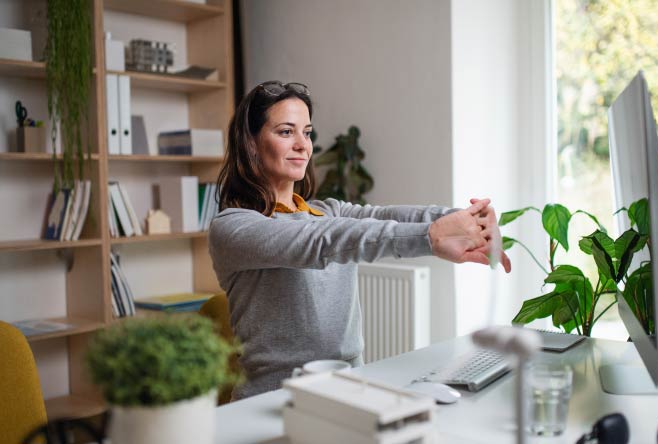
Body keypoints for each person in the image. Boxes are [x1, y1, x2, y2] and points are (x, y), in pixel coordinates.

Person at [209, 80, 512, 400]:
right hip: (273, 397)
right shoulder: (233, 228)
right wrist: (431, 237)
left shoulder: (329, 210)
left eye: (307, 132)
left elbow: (387, 217)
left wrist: (466, 218)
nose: (303, 145)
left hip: (350, 386)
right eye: (286, 132)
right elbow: (322, 241)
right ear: (251, 144)